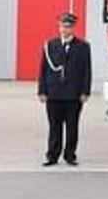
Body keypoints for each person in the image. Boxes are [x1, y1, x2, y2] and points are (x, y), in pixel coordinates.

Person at [37, 12, 93, 166]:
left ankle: (70, 155)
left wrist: (85, 91)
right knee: (54, 127)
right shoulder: (50, 45)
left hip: (73, 95)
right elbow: (43, 70)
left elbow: (87, 70)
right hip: (53, 93)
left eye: (68, 27)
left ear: (73, 28)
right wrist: (42, 90)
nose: (65, 30)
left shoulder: (83, 47)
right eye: (62, 26)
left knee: (72, 127)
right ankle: (52, 155)